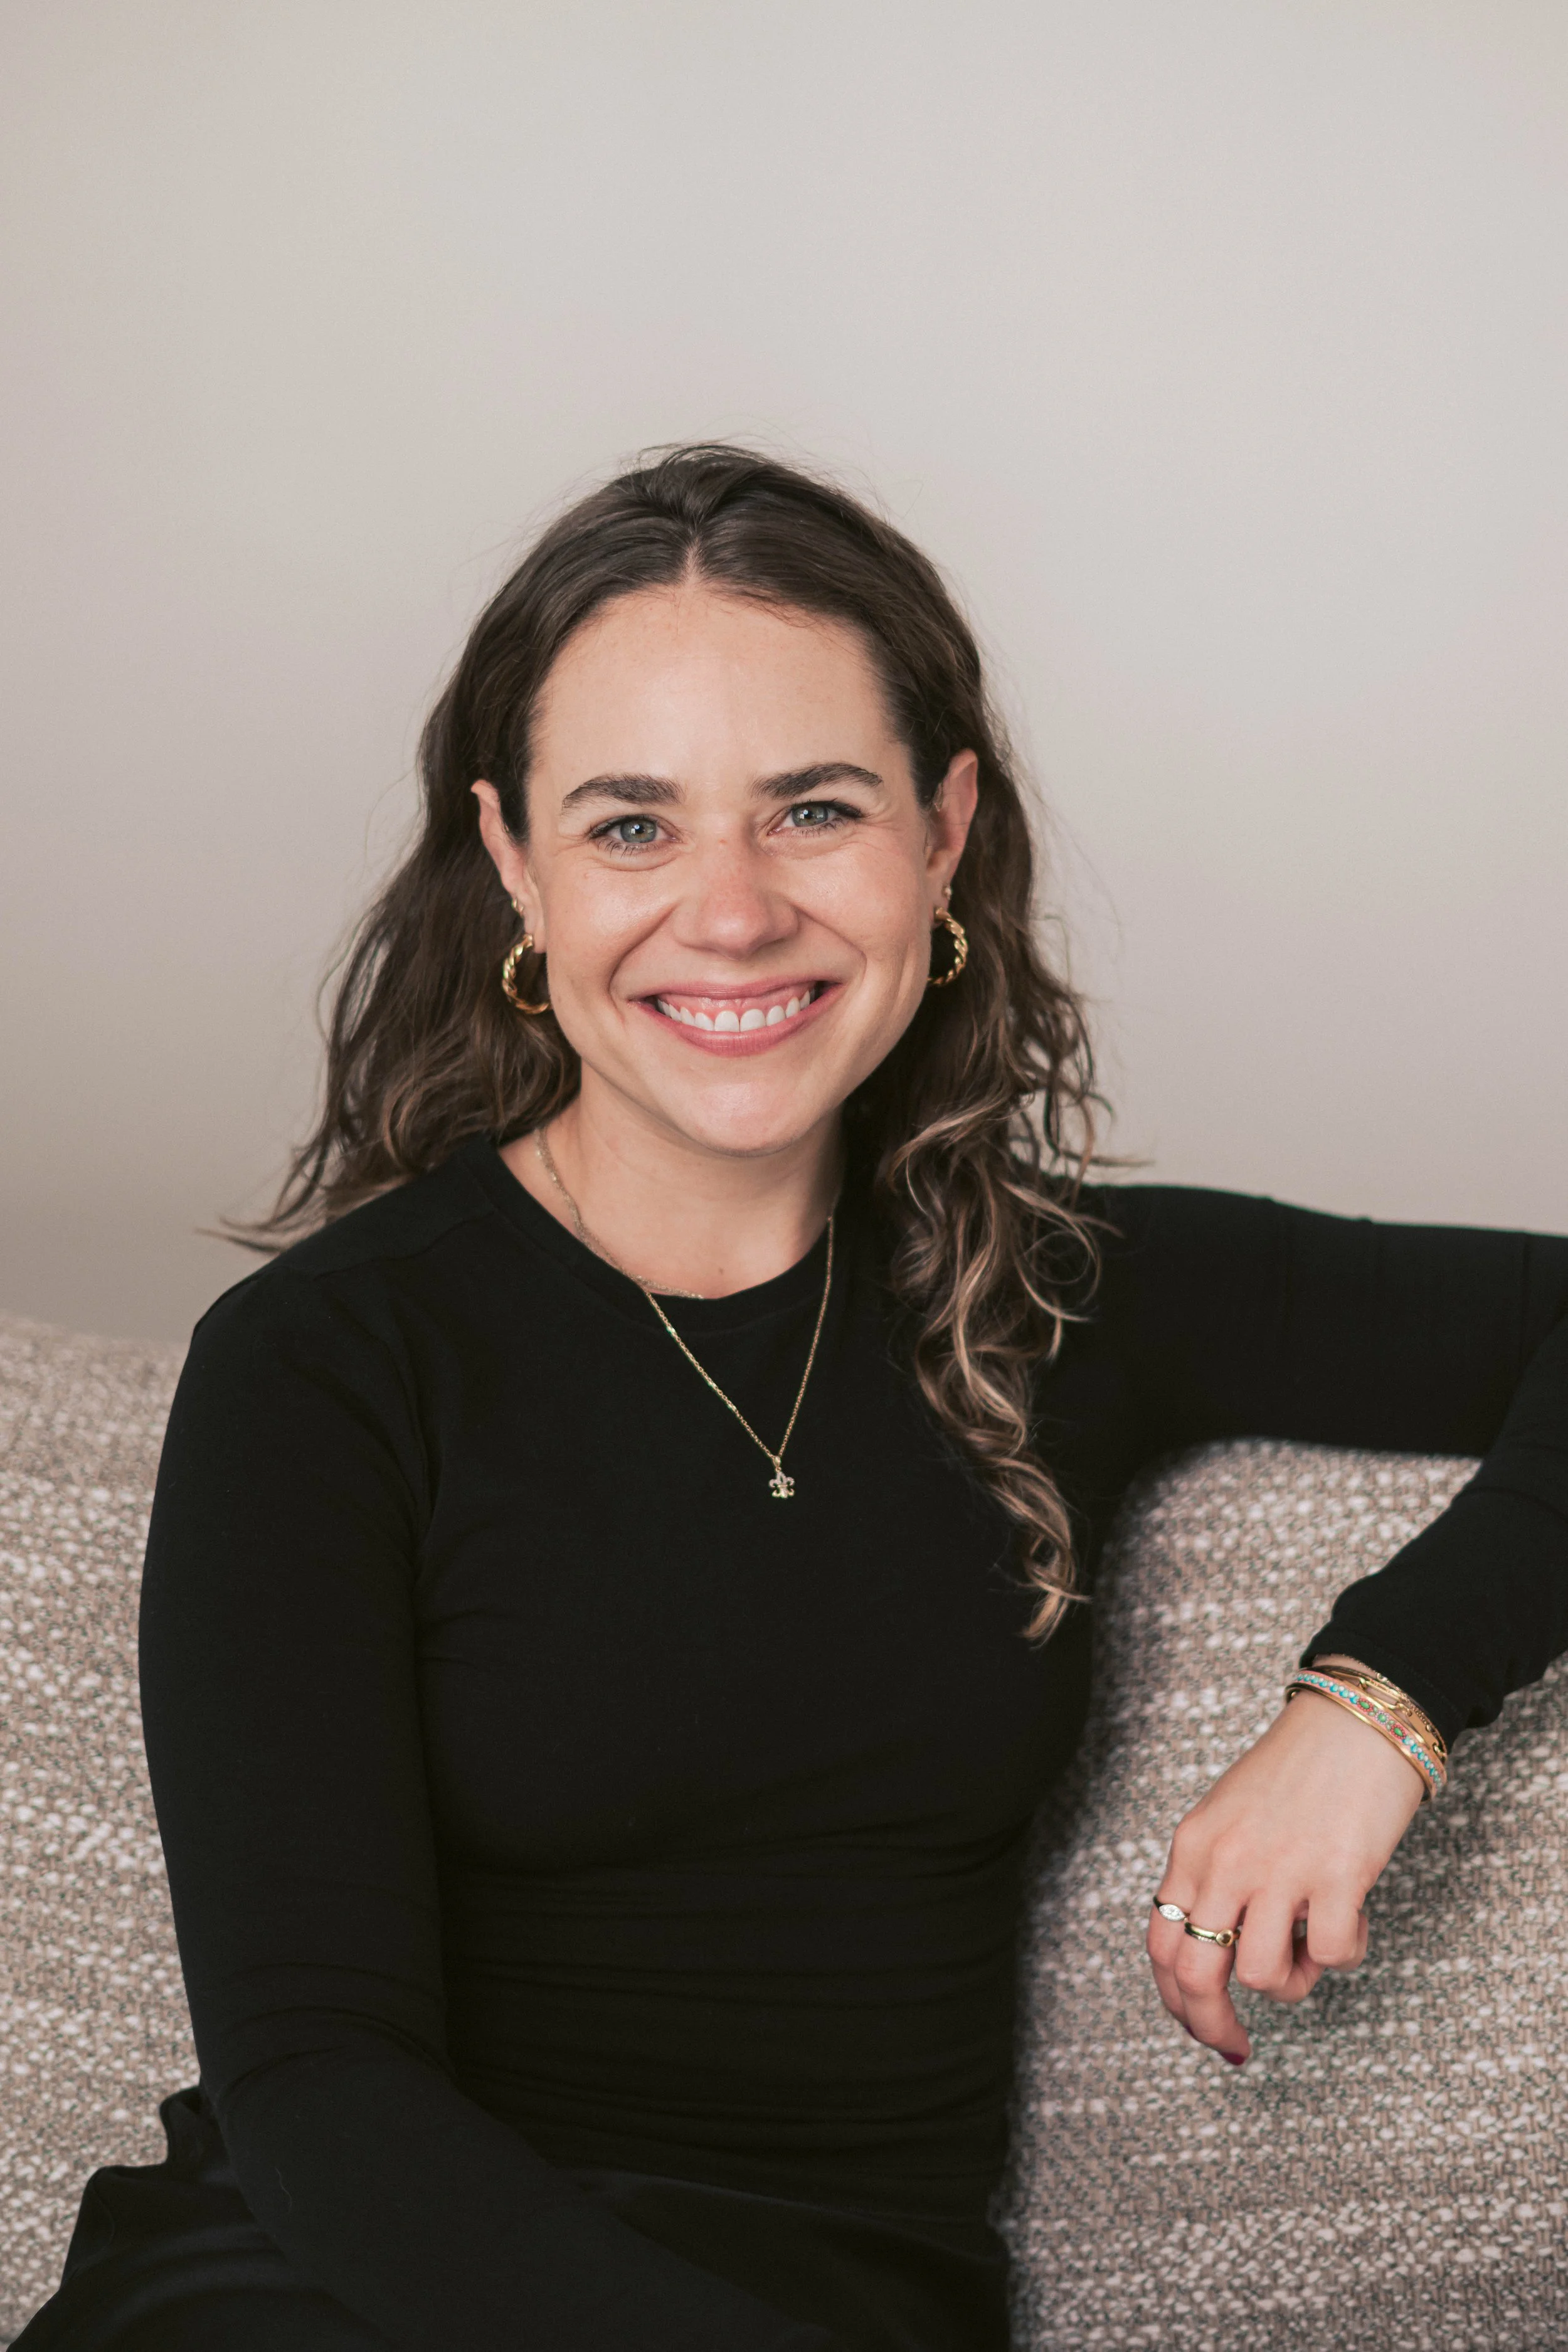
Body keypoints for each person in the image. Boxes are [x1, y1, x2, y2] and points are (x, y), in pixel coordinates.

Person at [18, 445, 1568, 2352]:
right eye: (632, 826)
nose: (733, 913)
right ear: (514, 863)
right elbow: (322, 2097)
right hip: (340, 2293)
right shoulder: (325, 1365)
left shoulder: (1063, 1292)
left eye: (813, 809)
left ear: (944, 830)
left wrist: (1377, 1701)